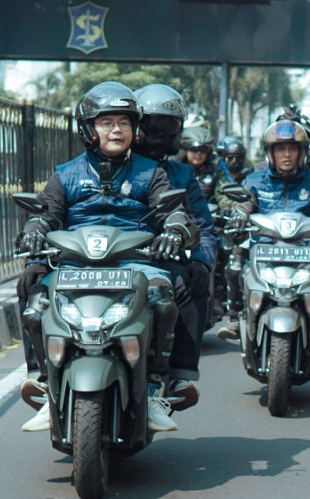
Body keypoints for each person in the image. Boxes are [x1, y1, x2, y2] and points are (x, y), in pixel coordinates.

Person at [15, 82, 198, 433]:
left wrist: (175, 231)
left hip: (135, 261)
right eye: (107, 122)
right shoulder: (65, 174)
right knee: (33, 299)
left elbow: (174, 212)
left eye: (125, 123)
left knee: (163, 301)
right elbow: (47, 213)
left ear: (135, 129)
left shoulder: (151, 172)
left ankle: (154, 388)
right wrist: (35, 228)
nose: (117, 130)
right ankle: (42, 380)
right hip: (74, 264)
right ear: (89, 129)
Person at [217, 119, 310, 339]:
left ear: (302, 153)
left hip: (308, 245)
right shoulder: (255, 180)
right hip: (265, 244)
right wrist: (238, 216)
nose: (286, 154)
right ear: (270, 153)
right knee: (235, 261)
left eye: (292, 148)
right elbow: (244, 204)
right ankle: (235, 315)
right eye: (280, 149)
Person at [134, 83, 219, 411]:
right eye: (151, 125)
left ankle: (179, 375)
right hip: (107, 258)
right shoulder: (114, 166)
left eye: (167, 127)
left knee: (192, 283)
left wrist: (200, 261)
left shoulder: (182, 175)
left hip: (161, 260)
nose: (158, 134)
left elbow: (205, 227)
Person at [181, 127, 228, 203]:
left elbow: (223, 194)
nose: (199, 153)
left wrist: (227, 207)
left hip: (208, 213)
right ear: (185, 150)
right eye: (194, 149)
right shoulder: (174, 171)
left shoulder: (216, 171)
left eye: (203, 149)